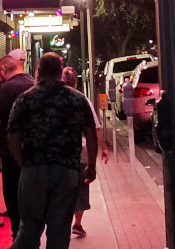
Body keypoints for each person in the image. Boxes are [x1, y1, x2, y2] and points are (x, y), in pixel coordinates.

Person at [6, 53, 98, 249]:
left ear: (38, 72)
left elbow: (12, 136)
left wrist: (23, 162)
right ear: (59, 73)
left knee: (29, 227)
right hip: (67, 172)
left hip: (33, 170)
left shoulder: (25, 99)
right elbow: (90, 133)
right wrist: (91, 165)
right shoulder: (77, 99)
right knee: (59, 229)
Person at [61, 67, 109, 238]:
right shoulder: (83, 101)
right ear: (76, 82)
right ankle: (78, 223)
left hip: (60, 153)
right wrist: (102, 149)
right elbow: (95, 129)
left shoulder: (54, 100)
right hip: (80, 152)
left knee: (63, 188)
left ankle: (63, 221)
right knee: (81, 188)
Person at [0, 53, 35, 239]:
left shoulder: (7, 88)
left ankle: (18, 235)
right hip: (34, 149)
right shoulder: (34, 84)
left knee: (13, 193)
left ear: (3, 70)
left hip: (10, 151)